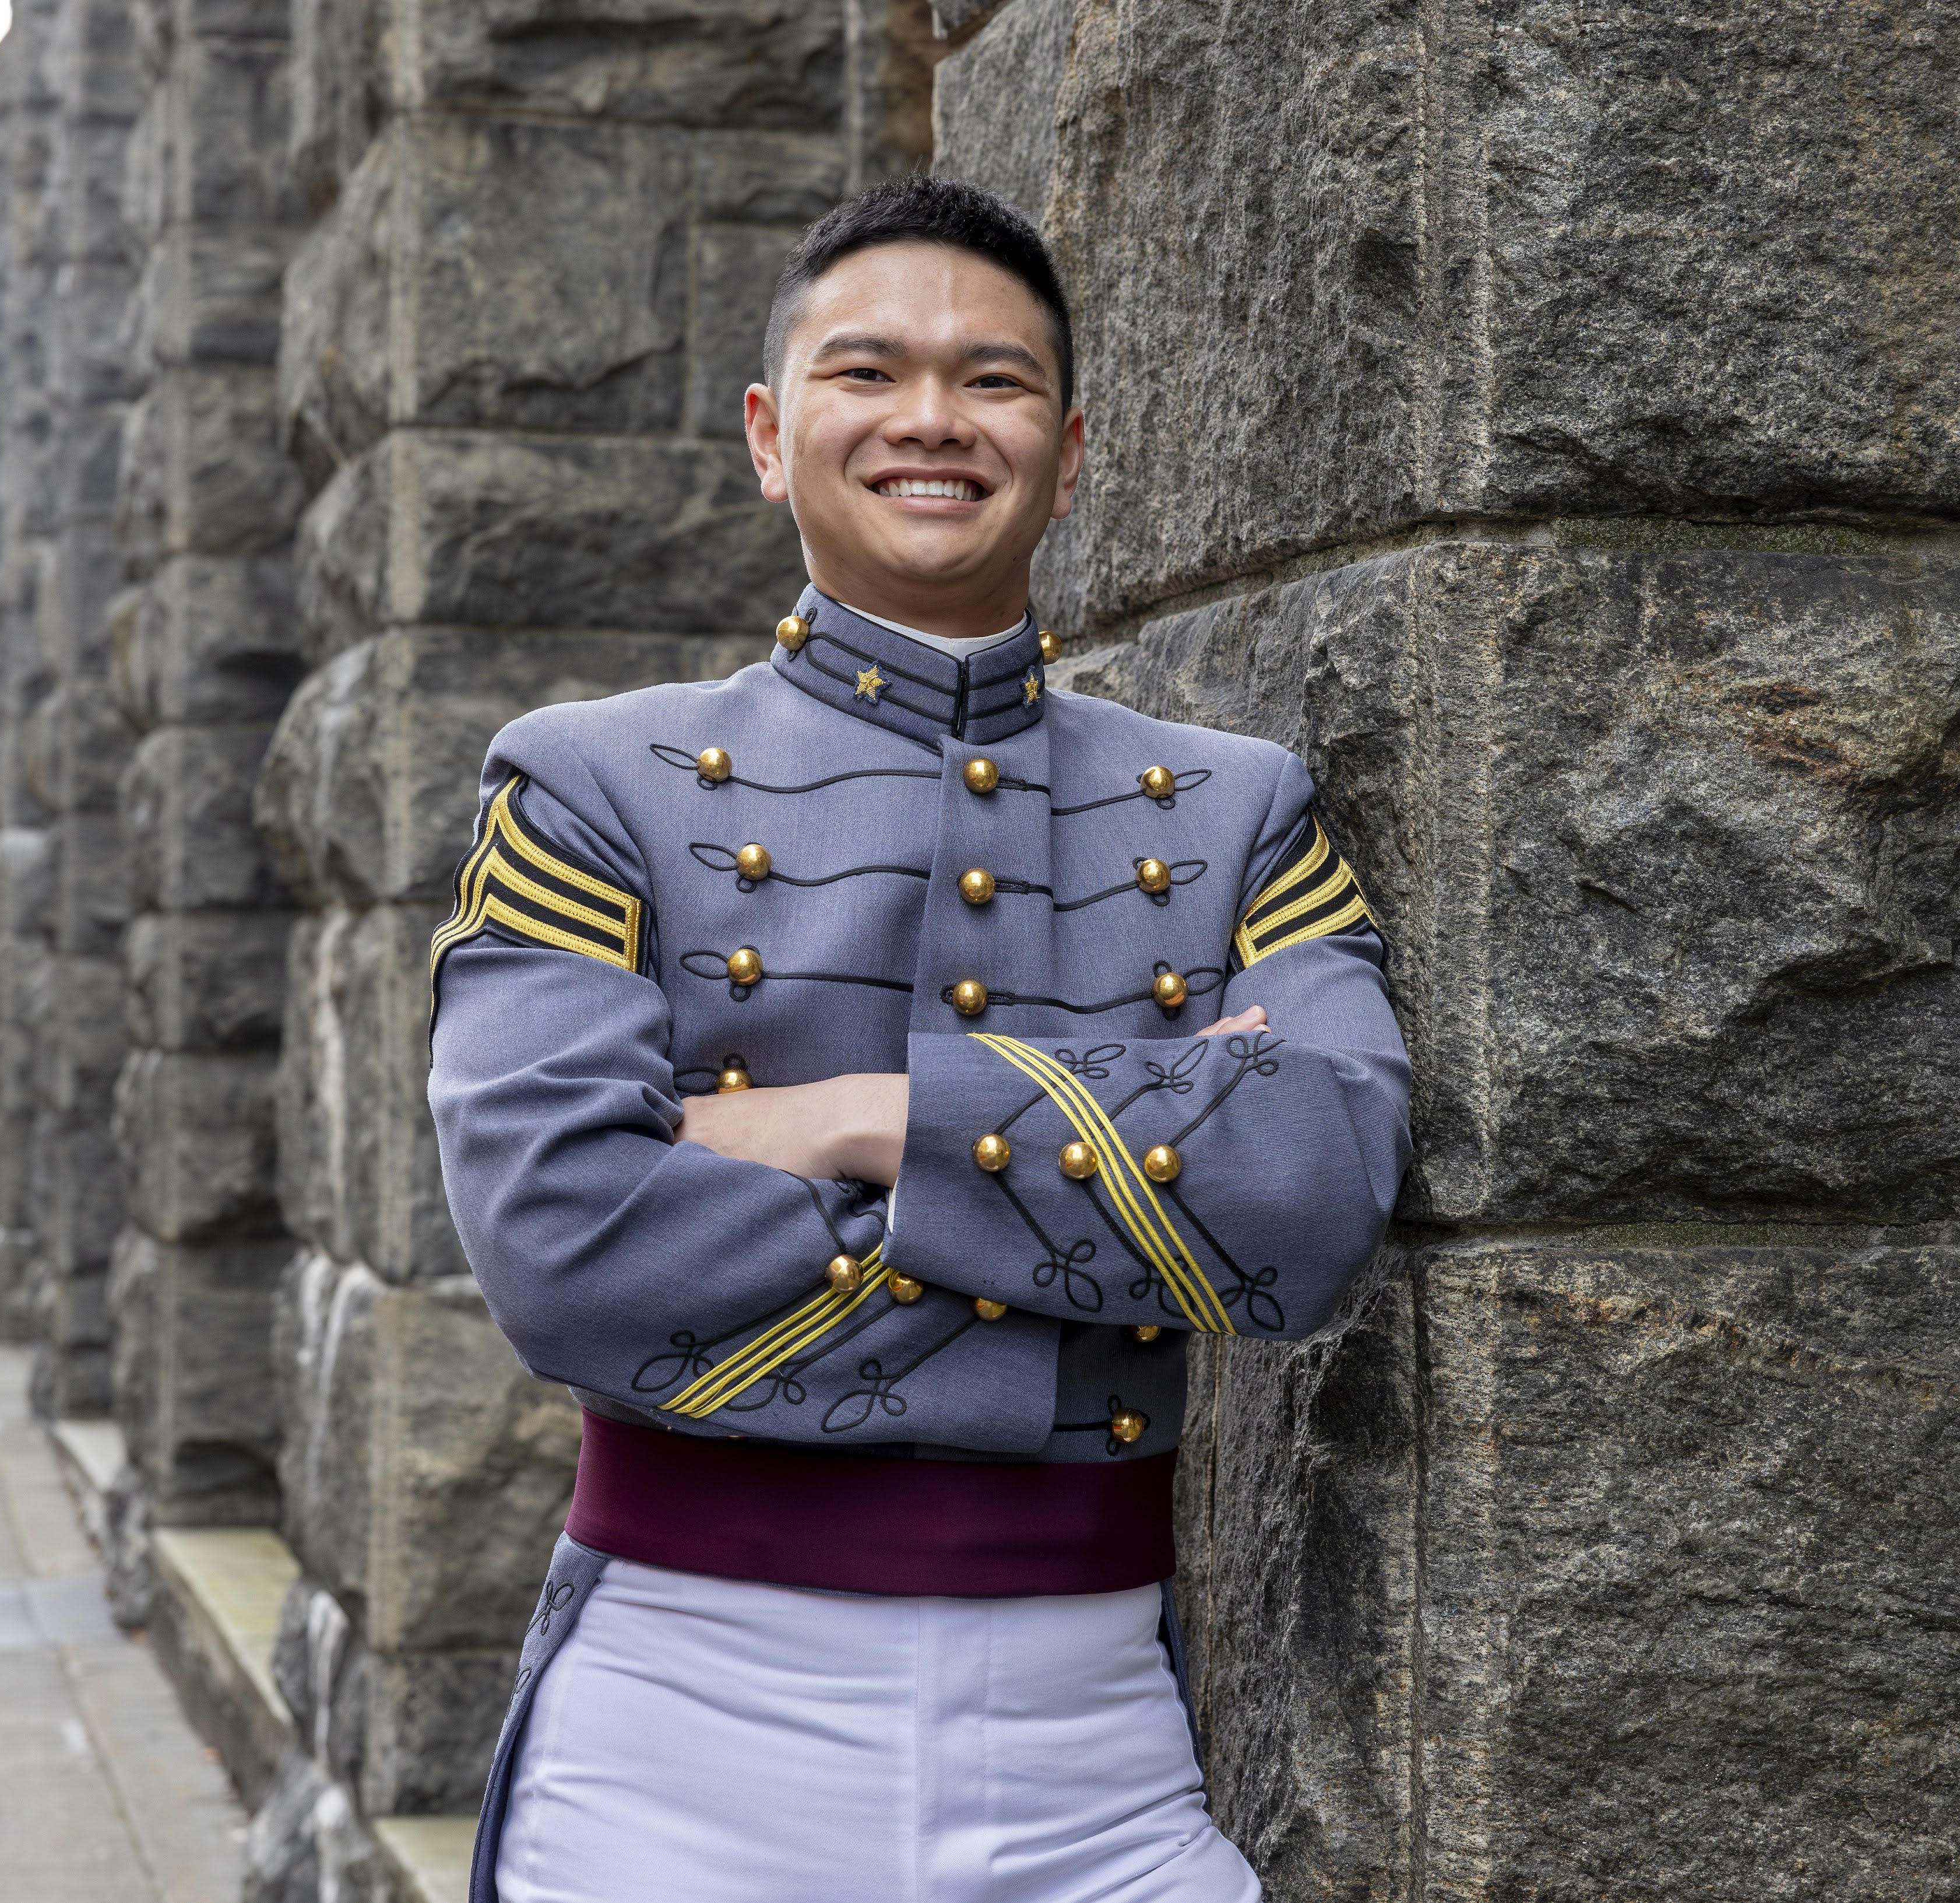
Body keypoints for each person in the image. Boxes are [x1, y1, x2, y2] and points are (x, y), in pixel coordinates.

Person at [428, 176, 1412, 1903]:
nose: (933, 421)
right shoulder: (584, 787)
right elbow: (563, 1248)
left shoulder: (1246, 809)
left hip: (1100, 1759)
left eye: (996, 380)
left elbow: (1318, 1197)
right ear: (767, 429)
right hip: (679, 1744)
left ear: (1071, 441)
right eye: (867, 371)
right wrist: (1134, 1186)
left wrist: (848, 1117)